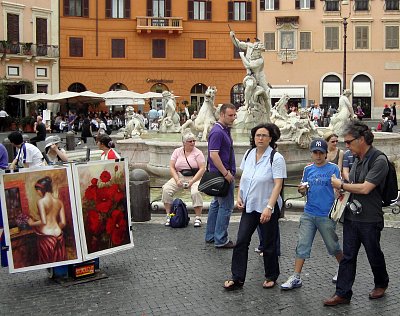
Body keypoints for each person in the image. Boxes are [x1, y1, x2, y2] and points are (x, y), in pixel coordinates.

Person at [324, 121, 389, 306]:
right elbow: (354, 184)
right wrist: (343, 191)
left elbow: (366, 188)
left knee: (373, 252)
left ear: (361, 140)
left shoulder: (379, 160)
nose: (346, 145)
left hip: (370, 218)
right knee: (348, 256)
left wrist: (342, 185)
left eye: (349, 142)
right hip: (352, 216)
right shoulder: (357, 159)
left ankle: (381, 283)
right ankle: (343, 293)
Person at [223, 123, 286, 291]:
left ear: (270, 139)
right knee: (241, 241)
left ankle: (271, 275)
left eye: (264, 135)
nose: (260, 138)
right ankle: (237, 278)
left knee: (268, 244)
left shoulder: (276, 157)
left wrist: (269, 207)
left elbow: (278, 185)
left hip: (266, 207)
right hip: (250, 206)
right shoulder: (249, 153)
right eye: (258, 135)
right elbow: (243, 178)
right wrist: (239, 196)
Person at [281, 139, 343, 290]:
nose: (318, 155)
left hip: (326, 214)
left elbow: (339, 188)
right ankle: (296, 276)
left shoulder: (333, 168)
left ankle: (344, 268)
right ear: (311, 153)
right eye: (315, 152)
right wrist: (301, 190)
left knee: (332, 245)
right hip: (309, 213)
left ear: (326, 154)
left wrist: (338, 188)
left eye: (321, 152)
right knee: (302, 244)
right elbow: (304, 189)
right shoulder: (308, 169)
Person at [205, 103, 237, 248]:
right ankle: (221, 239)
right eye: (230, 115)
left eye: (234, 115)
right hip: (223, 175)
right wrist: (226, 173)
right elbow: (213, 154)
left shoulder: (222, 130)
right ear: (222, 114)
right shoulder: (218, 132)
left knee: (216, 205)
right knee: (226, 206)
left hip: (220, 174)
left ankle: (211, 235)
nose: (233, 118)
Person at [162, 131, 206, 227]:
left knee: (195, 192)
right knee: (166, 189)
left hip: (195, 177)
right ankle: (169, 215)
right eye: (190, 141)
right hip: (180, 176)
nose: (193, 143)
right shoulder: (177, 151)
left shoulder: (198, 153)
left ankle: (198, 217)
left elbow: (202, 168)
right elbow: (172, 166)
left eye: (194, 141)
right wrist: (177, 179)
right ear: (184, 142)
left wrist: (193, 181)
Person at [28, 176, 67, 264]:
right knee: (59, 261)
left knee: (48, 262)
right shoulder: (59, 202)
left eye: (37, 190)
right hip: (58, 235)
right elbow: (63, 223)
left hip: (46, 238)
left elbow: (43, 221)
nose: (37, 193)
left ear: (41, 189)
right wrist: (55, 231)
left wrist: (32, 223)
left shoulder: (41, 202)